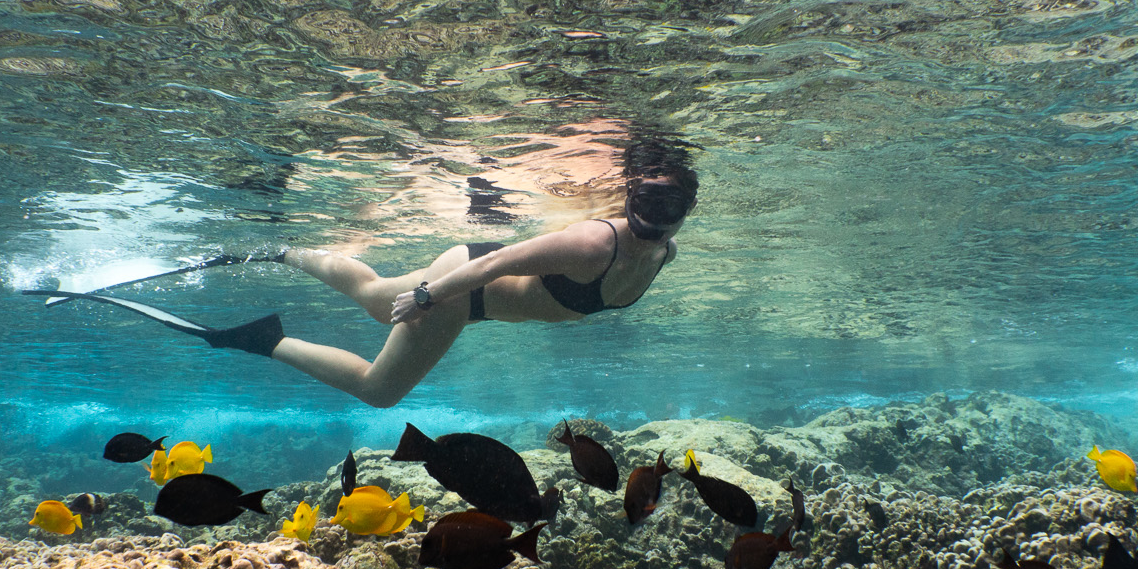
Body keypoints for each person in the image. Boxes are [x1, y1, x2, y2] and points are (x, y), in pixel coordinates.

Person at [34, 139, 699, 407]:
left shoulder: (662, 256)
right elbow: (494, 259)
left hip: (466, 294)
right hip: (462, 292)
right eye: (646, 199)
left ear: (685, 210)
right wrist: (427, 297)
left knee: (368, 292)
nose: (654, 216)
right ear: (629, 195)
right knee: (380, 389)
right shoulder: (591, 244)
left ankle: (281, 251)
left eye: (670, 205)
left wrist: (412, 296)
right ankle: (247, 337)